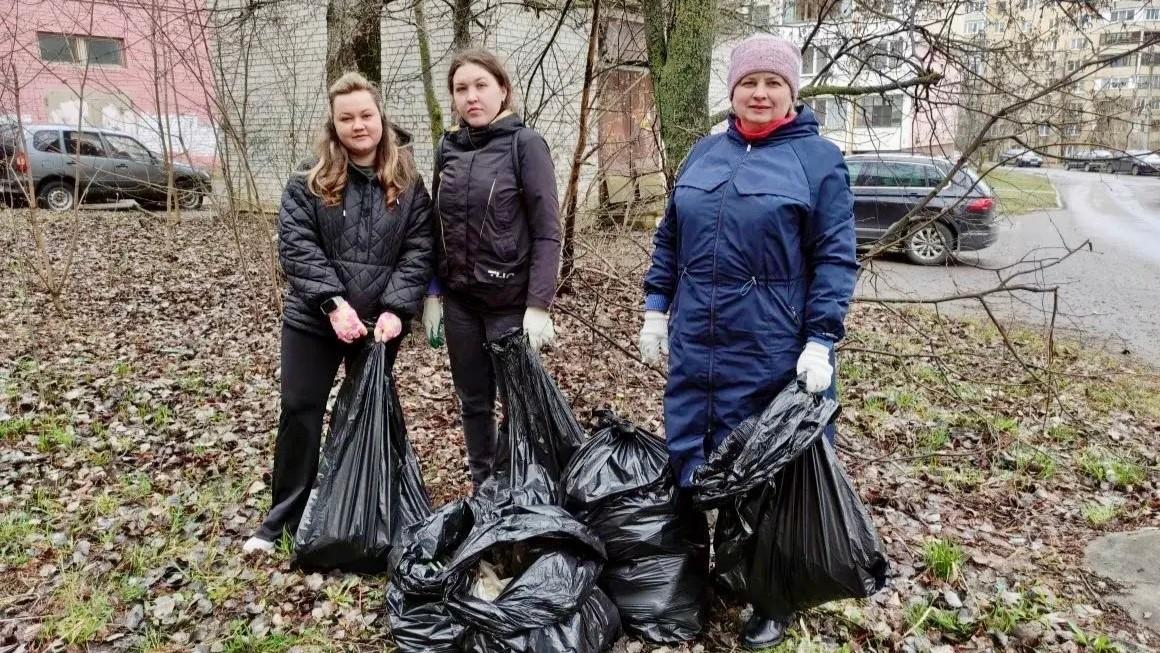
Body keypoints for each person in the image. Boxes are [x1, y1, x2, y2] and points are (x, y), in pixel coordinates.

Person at [638, 34, 859, 649]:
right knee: (689, 458)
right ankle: (691, 577)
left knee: (769, 476)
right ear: (732, 91)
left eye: (773, 83)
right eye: (748, 83)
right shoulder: (704, 153)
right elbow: (669, 239)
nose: (759, 93)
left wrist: (821, 339)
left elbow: (836, 259)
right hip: (697, 346)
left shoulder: (817, 160)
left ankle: (771, 595)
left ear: (792, 92)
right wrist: (656, 307)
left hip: (771, 348)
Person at [243, 72, 434, 554]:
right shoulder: (307, 179)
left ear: (380, 117)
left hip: (378, 327)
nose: (358, 125)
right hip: (314, 319)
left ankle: (368, 513)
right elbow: (297, 246)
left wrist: (397, 309)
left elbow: (421, 247)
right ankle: (282, 519)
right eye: (346, 118)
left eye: (366, 115)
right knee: (300, 411)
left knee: (368, 415)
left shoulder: (408, 181)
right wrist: (331, 302)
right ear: (333, 123)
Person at [421, 49, 562, 489]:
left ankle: (517, 483)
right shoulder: (448, 147)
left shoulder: (526, 145)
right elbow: (434, 224)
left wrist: (538, 304)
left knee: (517, 404)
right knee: (473, 401)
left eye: (481, 85)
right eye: (461, 89)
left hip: (509, 305)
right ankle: (485, 486)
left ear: (503, 90)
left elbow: (547, 231)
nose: (471, 97)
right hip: (461, 304)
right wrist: (431, 292)